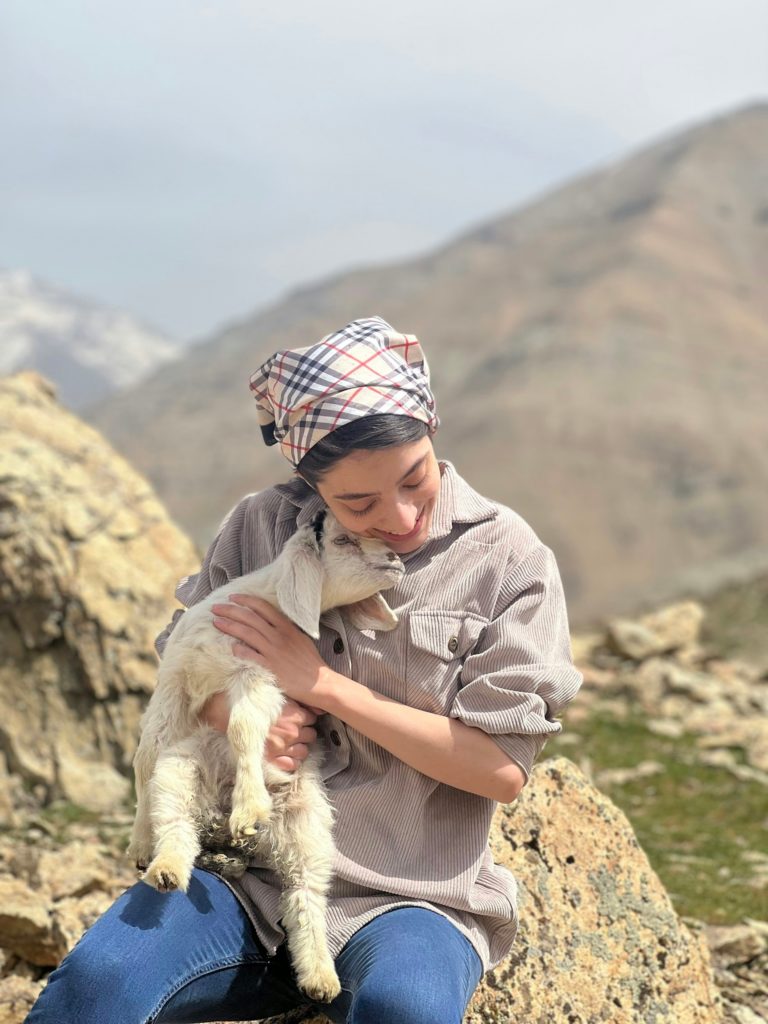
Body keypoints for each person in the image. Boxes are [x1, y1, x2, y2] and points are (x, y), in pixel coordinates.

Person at [25, 316, 583, 1024]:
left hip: (412, 900)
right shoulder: (258, 528)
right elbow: (184, 662)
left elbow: (500, 769)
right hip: (241, 882)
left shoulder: (509, 560)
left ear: (432, 428)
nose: (403, 516)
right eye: (359, 504)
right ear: (309, 483)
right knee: (96, 986)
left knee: (402, 1008)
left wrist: (318, 684)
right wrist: (236, 716)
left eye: (414, 478)